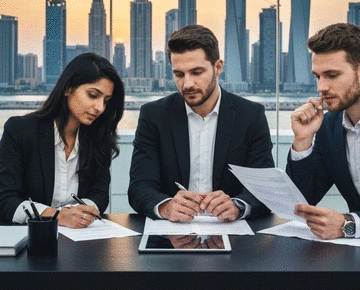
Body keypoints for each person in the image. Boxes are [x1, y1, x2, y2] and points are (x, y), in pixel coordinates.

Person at [128, 25, 274, 222]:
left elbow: (264, 189)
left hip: (232, 234)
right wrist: (166, 206)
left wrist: (237, 205)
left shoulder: (250, 116)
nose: (187, 84)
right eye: (179, 74)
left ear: (218, 67)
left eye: (196, 72)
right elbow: (139, 187)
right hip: (173, 234)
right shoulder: (154, 115)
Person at [287, 23, 360, 240]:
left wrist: (349, 224)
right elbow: (303, 200)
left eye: (332, 75)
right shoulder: (328, 127)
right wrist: (303, 140)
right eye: (318, 76)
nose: (321, 87)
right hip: (358, 260)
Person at [0, 53, 124, 228]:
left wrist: (83, 211)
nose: (100, 108)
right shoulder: (20, 131)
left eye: (106, 101)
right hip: (30, 240)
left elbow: (99, 194)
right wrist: (57, 216)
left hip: (79, 240)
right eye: (93, 95)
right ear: (67, 88)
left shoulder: (98, 138)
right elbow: (5, 200)